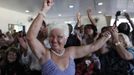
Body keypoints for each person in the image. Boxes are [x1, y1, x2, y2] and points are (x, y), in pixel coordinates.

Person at [27, 0, 111, 75]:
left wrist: (107, 36)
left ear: (66, 38)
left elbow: (93, 47)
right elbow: (31, 37)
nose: (54, 40)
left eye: (59, 37)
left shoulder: (71, 51)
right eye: (51, 37)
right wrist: (43, 10)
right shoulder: (45, 54)